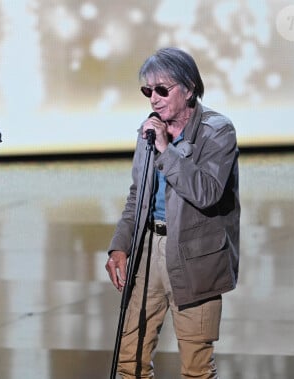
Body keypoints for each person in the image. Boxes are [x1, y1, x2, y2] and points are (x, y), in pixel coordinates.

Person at [105, 47, 240, 378]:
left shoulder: (217, 132)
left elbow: (206, 192)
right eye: (148, 91)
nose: (153, 98)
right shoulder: (148, 131)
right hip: (148, 249)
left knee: (196, 368)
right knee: (129, 360)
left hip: (196, 257)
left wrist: (166, 150)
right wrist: (120, 245)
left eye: (162, 89)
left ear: (189, 88)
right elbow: (138, 194)